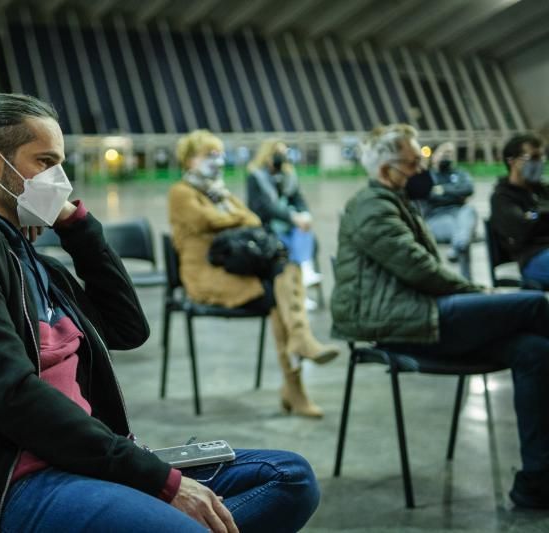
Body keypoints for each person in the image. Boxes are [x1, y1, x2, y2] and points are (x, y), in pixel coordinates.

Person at [0, 94, 320, 533]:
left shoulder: (22, 250)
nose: (60, 179)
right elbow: (8, 395)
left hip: (77, 456)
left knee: (290, 478)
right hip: (6, 477)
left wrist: (76, 226)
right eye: (45, 162)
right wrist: (157, 481)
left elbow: (128, 328)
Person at [332, 123, 549, 510]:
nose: (422, 171)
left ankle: (537, 481)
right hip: (400, 322)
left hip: (422, 313)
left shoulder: (396, 201)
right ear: (386, 170)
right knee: (535, 306)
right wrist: (477, 292)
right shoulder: (372, 207)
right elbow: (419, 268)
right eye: (414, 163)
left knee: (533, 350)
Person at [168, 129, 339, 419]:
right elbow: (207, 219)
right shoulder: (182, 193)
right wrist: (232, 218)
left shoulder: (219, 190)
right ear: (189, 160)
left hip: (234, 267)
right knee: (278, 295)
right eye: (209, 155)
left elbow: (254, 219)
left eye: (219, 154)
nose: (216, 161)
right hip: (205, 274)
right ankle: (295, 382)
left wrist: (229, 219)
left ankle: (299, 346)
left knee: (287, 270)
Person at [246, 139, 322, 295]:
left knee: (303, 231)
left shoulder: (288, 175)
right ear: (267, 155)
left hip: (292, 227)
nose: (281, 157)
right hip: (267, 228)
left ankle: (303, 276)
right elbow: (263, 208)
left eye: (283, 153)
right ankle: (299, 284)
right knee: (292, 242)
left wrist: (304, 215)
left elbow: (298, 199)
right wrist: (292, 217)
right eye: (277, 153)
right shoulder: (255, 177)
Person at [489, 133, 548, 288]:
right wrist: (541, 215)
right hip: (532, 257)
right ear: (512, 161)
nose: (540, 163)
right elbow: (520, 230)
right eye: (533, 157)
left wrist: (536, 216)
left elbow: (533, 221)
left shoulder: (543, 191)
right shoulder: (502, 198)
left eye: (542, 157)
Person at [419, 141, 477, 279]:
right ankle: (460, 244)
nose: (447, 156)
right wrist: (455, 193)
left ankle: (459, 245)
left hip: (459, 214)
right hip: (436, 219)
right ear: (434, 155)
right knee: (456, 226)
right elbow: (427, 194)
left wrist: (442, 190)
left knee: (468, 211)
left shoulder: (460, 173)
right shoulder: (426, 175)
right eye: (444, 152)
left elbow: (468, 189)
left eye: (450, 153)